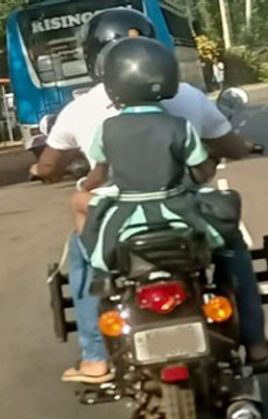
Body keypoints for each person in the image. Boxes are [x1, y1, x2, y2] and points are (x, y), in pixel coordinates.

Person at [34, 8, 268, 384]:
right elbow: (207, 165)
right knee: (233, 247)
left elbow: (75, 172)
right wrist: (225, 154)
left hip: (121, 221)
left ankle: (95, 357)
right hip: (183, 213)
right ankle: (257, 344)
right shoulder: (186, 104)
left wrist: (73, 182)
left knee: (82, 254)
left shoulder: (85, 114)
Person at [77, 37, 225, 271]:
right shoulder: (179, 126)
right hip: (178, 209)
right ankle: (247, 302)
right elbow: (203, 171)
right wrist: (211, 162)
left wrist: (84, 185)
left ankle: (95, 290)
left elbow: (98, 176)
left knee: (92, 254)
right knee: (228, 243)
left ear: (113, 83)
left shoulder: (107, 129)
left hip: (125, 215)